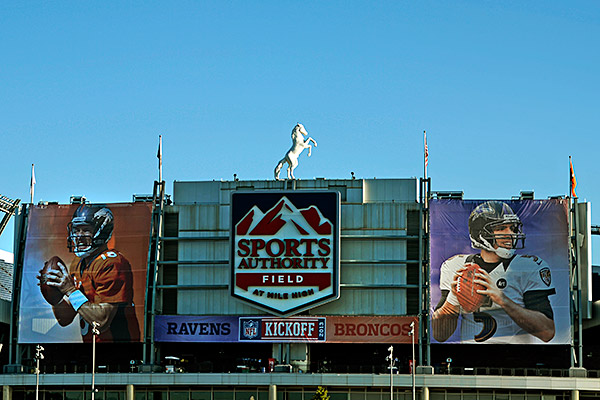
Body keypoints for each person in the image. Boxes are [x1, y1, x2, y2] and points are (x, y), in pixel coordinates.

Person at [432, 201, 556, 344]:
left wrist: (503, 300)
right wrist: (453, 299)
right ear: (481, 234)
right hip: (470, 358)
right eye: (501, 228)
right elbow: (440, 335)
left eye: (513, 228)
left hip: (517, 357)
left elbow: (547, 332)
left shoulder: (528, 266)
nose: (510, 234)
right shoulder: (458, 267)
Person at [38, 204, 140, 342]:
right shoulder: (78, 263)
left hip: (119, 348)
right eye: (76, 230)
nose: (79, 236)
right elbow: (65, 318)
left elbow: (101, 321)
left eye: (85, 230)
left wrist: (70, 290)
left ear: (102, 231)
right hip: (91, 349)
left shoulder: (112, 263)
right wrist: (54, 293)